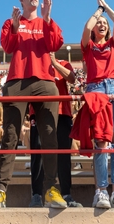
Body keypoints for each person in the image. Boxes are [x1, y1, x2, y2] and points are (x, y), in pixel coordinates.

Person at [0, 0, 66, 208]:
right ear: (21, 0)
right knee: (10, 135)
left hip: (45, 81)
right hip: (17, 80)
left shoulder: (45, 21)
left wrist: (48, 19)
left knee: (50, 135)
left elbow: (55, 44)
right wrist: (16, 28)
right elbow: (7, 47)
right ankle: (0, 190)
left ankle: (51, 189)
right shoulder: (11, 22)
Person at [81, 0, 114, 209]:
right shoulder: (88, 47)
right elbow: (86, 28)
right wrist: (98, 10)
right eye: (98, 22)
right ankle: (100, 191)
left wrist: (106, 5)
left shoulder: (113, 45)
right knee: (101, 141)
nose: (101, 24)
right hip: (96, 89)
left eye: (104, 23)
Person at [29, 52, 82, 208]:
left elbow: (72, 79)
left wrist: (54, 63)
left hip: (62, 113)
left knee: (64, 155)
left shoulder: (63, 62)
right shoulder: (34, 62)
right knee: (38, 154)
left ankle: (66, 194)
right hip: (39, 113)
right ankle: (37, 195)